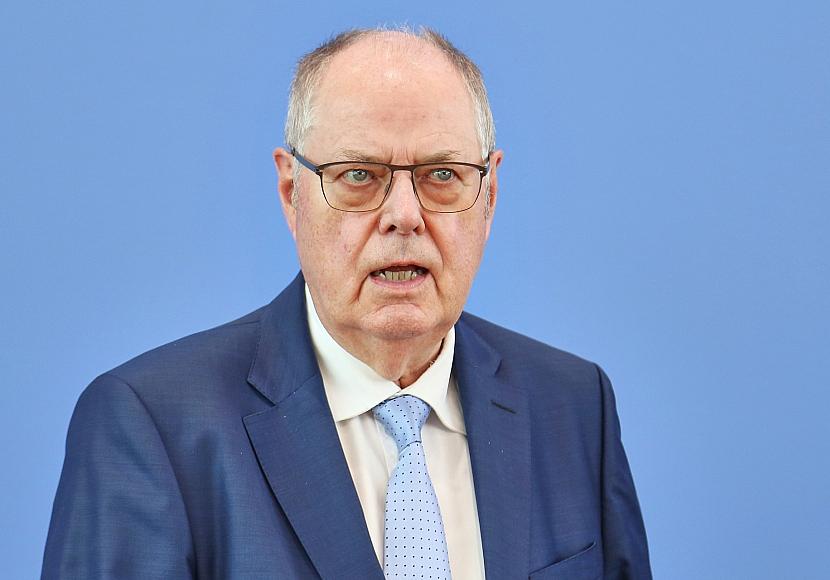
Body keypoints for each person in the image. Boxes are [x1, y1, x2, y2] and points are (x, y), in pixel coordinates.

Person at [42, 27, 651, 579]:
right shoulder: (153, 424)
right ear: (292, 192)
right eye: (359, 175)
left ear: (489, 196)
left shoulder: (575, 406)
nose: (404, 216)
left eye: (442, 175)